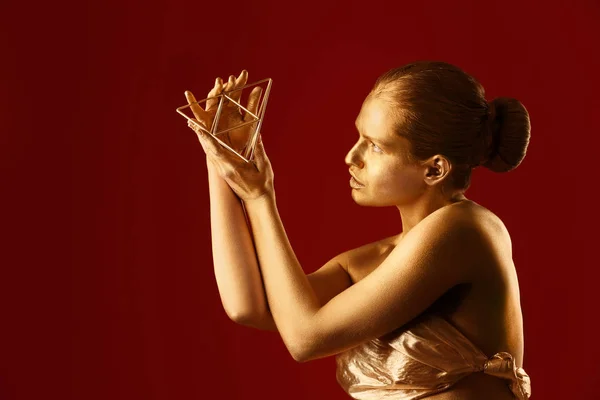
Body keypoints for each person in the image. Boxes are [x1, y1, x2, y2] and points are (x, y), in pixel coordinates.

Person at [184, 61, 532, 400]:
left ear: (434, 168)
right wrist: (221, 155)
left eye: (376, 146)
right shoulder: (378, 258)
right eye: (359, 136)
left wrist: (260, 196)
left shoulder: (465, 229)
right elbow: (250, 306)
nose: (352, 156)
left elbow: (305, 339)